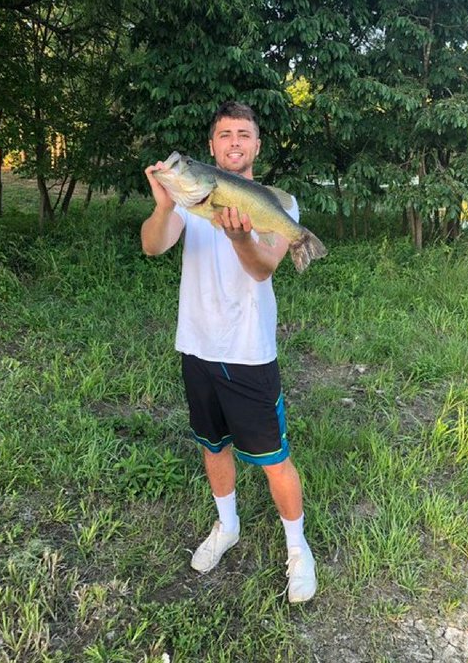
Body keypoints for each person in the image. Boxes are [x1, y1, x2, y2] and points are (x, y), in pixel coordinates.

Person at [142, 101, 316, 603]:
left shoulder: (279, 203)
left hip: (248, 350)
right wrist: (163, 205)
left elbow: (262, 268)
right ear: (212, 147)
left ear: (256, 145)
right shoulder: (190, 198)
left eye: (243, 134)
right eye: (225, 135)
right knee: (212, 444)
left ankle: (298, 547)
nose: (234, 142)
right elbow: (152, 246)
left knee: (274, 458)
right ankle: (228, 525)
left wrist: (241, 238)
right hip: (196, 346)